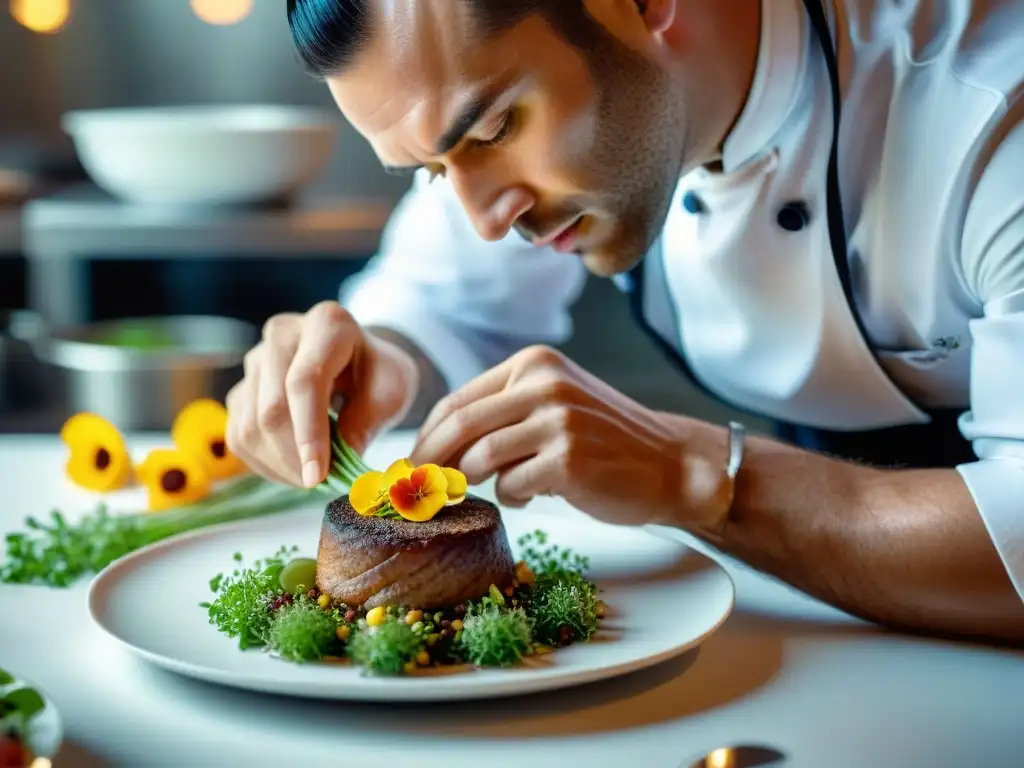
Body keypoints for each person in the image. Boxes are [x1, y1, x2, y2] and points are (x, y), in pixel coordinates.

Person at [226, 0, 1024, 644]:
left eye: (496, 129)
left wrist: (691, 475)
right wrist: (377, 358)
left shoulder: (993, 110)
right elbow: (438, 301)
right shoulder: (566, 116)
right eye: (435, 169)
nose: (485, 223)